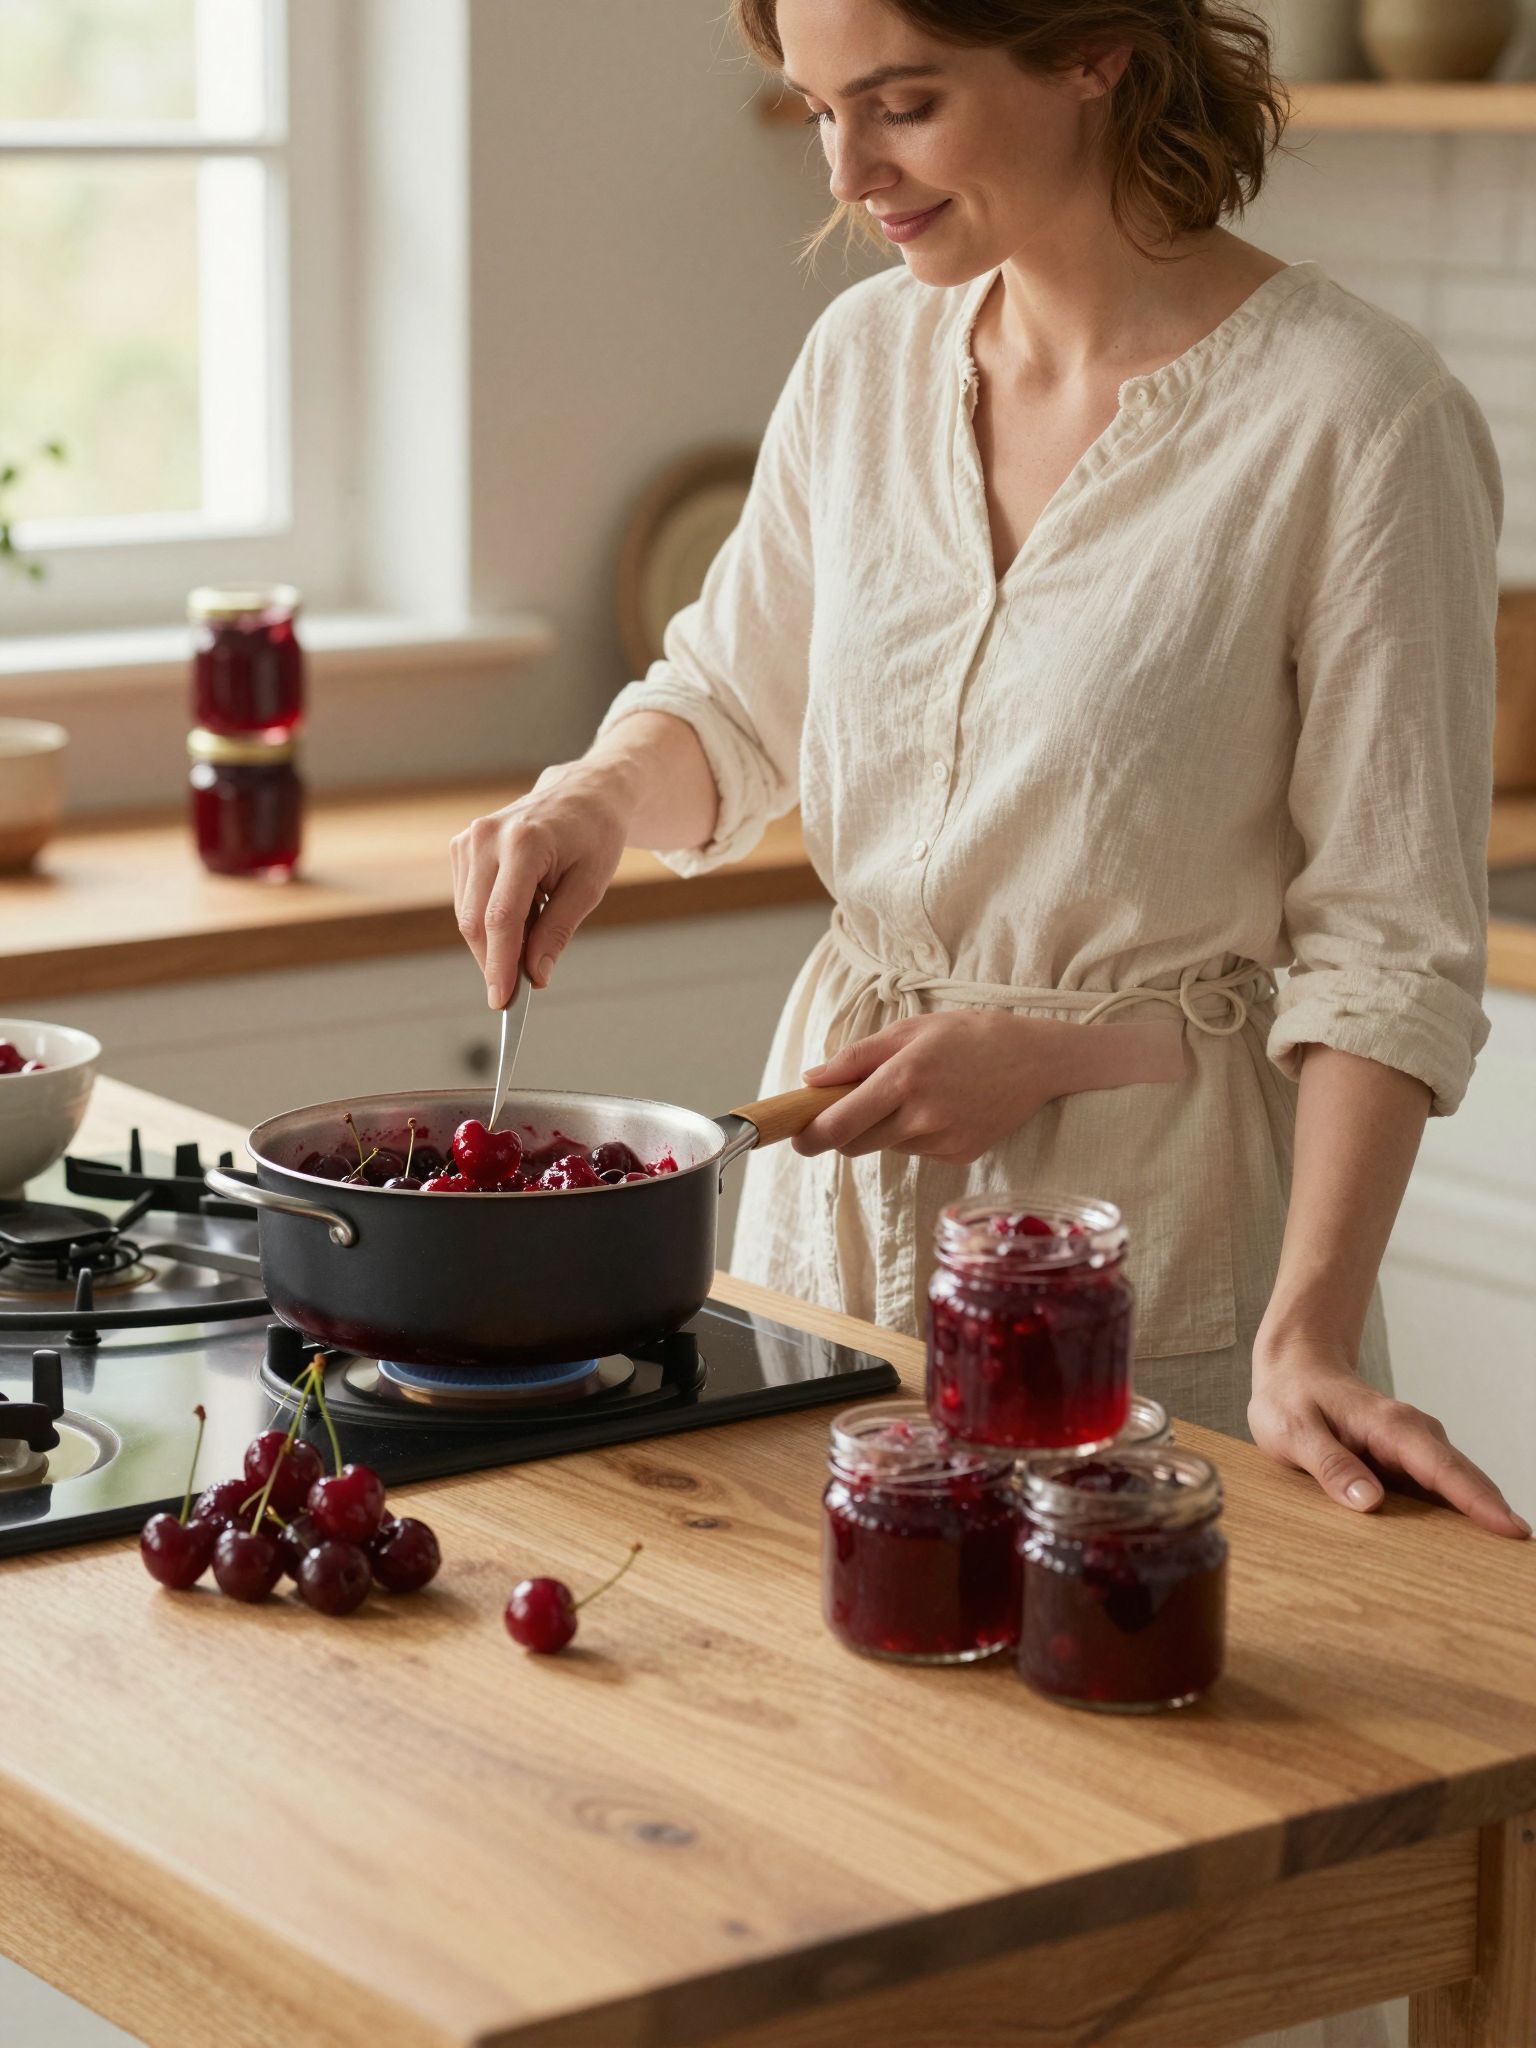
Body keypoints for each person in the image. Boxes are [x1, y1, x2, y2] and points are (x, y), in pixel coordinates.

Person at [453, 0, 1531, 1560]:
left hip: (1146, 1262)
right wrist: (601, 798)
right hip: (828, 1249)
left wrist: (1310, 1334)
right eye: (820, 110)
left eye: (900, 103)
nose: (850, 170)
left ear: (1092, 45)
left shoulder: (1358, 419)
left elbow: (1388, 955)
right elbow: (731, 705)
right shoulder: (863, 360)